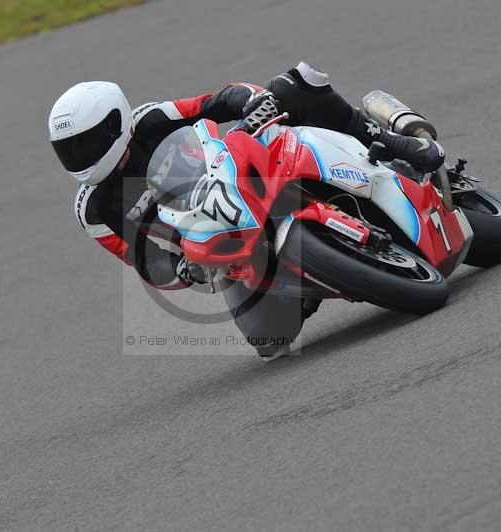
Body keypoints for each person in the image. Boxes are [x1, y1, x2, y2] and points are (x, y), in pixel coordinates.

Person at [48, 62, 444, 358]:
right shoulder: (94, 210)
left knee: (296, 82)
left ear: (116, 124)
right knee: (269, 340)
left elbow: (214, 102)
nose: (81, 157)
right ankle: (313, 279)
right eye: (69, 150)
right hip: (220, 240)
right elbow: (144, 262)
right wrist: (181, 269)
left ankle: (387, 140)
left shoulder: (149, 119)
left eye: (86, 143)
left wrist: (253, 102)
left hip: (239, 175)